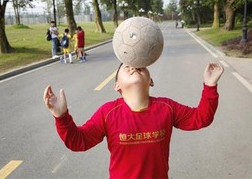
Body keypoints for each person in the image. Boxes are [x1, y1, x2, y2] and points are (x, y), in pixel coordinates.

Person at [43, 62, 224, 178]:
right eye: (126, 66)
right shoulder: (108, 112)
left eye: (141, 66)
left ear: (151, 81)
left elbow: (201, 118)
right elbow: (78, 141)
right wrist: (61, 116)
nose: (133, 66)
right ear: (117, 86)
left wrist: (210, 85)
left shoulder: (167, 107)